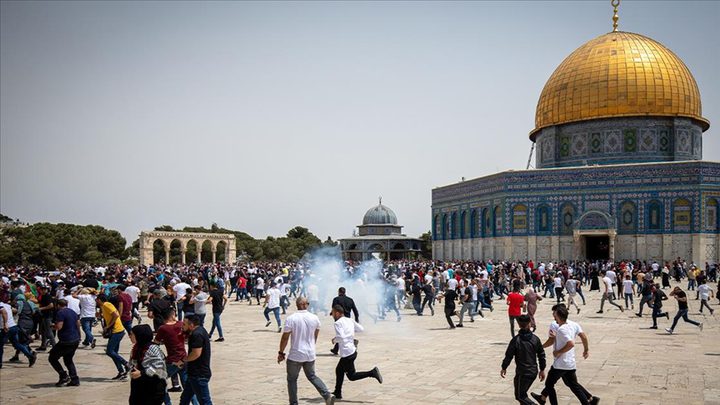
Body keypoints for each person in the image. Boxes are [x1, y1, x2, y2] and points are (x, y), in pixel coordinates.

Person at [531, 305, 599, 405]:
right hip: (570, 362)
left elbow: (570, 343)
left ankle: (545, 399)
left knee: (549, 384)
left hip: (560, 363)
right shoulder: (571, 325)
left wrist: (557, 352)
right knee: (573, 385)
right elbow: (583, 337)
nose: (554, 317)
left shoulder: (560, 328)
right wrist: (586, 350)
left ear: (558, 315)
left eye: (554, 314)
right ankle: (588, 401)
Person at [277, 297, 335, 405]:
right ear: (307, 305)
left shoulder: (291, 318)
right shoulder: (315, 318)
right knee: (312, 376)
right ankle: (327, 395)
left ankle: (294, 403)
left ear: (297, 305)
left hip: (295, 354)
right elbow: (315, 336)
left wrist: (281, 352)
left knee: (292, 380)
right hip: (310, 354)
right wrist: (311, 347)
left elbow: (285, 337)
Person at [330, 304, 382, 400]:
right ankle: (337, 392)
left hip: (347, 353)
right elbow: (361, 329)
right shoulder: (349, 320)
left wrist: (334, 340)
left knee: (352, 376)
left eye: (332, 313)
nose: (332, 315)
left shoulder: (337, 323)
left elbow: (340, 337)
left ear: (337, 313)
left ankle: (372, 373)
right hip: (352, 350)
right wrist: (350, 333)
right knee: (339, 370)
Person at [500, 314, 546, 405]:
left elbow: (508, 355)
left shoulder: (516, 340)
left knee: (520, 396)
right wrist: (542, 369)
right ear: (529, 324)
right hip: (533, 371)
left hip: (523, 373)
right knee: (522, 395)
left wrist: (504, 367)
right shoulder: (535, 339)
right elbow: (541, 355)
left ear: (519, 325)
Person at [129, 324, 167, 405]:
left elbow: (159, 368)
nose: (130, 336)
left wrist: (142, 373)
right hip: (139, 388)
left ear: (139, 336)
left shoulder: (152, 349)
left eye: (132, 334)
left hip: (153, 389)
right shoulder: (137, 347)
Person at [180, 315, 213, 405]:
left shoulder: (197, 334)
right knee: (185, 399)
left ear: (191, 325)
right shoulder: (200, 330)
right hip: (193, 374)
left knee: (205, 401)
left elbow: (196, 353)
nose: (182, 326)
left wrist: (184, 360)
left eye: (184, 324)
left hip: (199, 374)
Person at [48, 299, 81, 386]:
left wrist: (52, 326)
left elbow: (59, 327)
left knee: (52, 358)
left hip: (66, 341)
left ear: (58, 305)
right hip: (75, 339)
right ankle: (74, 379)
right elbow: (78, 324)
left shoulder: (60, 313)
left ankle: (63, 376)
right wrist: (79, 336)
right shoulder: (72, 312)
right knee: (68, 360)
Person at [97, 293, 130, 380]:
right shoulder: (103, 307)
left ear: (99, 300)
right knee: (114, 353)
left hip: (117, 331)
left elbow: (116, 315)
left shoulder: (107, 304)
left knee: (109, 351)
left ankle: (126, 364)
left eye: (97, 299)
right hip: (115, 331)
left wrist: (108, 326)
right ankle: (121, 372)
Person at [0, 297, 37, 369]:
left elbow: (4, 312)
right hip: (13, 327)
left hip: (7, 328)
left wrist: (5, 323)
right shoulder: (7, 305)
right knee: (17, 344)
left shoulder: (1, 306)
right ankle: (30, 356)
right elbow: (15, 310)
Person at [330, 287, 359, 354]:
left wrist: (332, 314)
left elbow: (334, 308)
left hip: (339, 319)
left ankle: (353, 342)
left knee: (340, 334)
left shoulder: (336, 299)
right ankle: (335, 349)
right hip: (348, 319)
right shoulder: (350, 300)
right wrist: (356, 319)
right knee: (345, 333)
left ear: (339, 292)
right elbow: (355, 310)